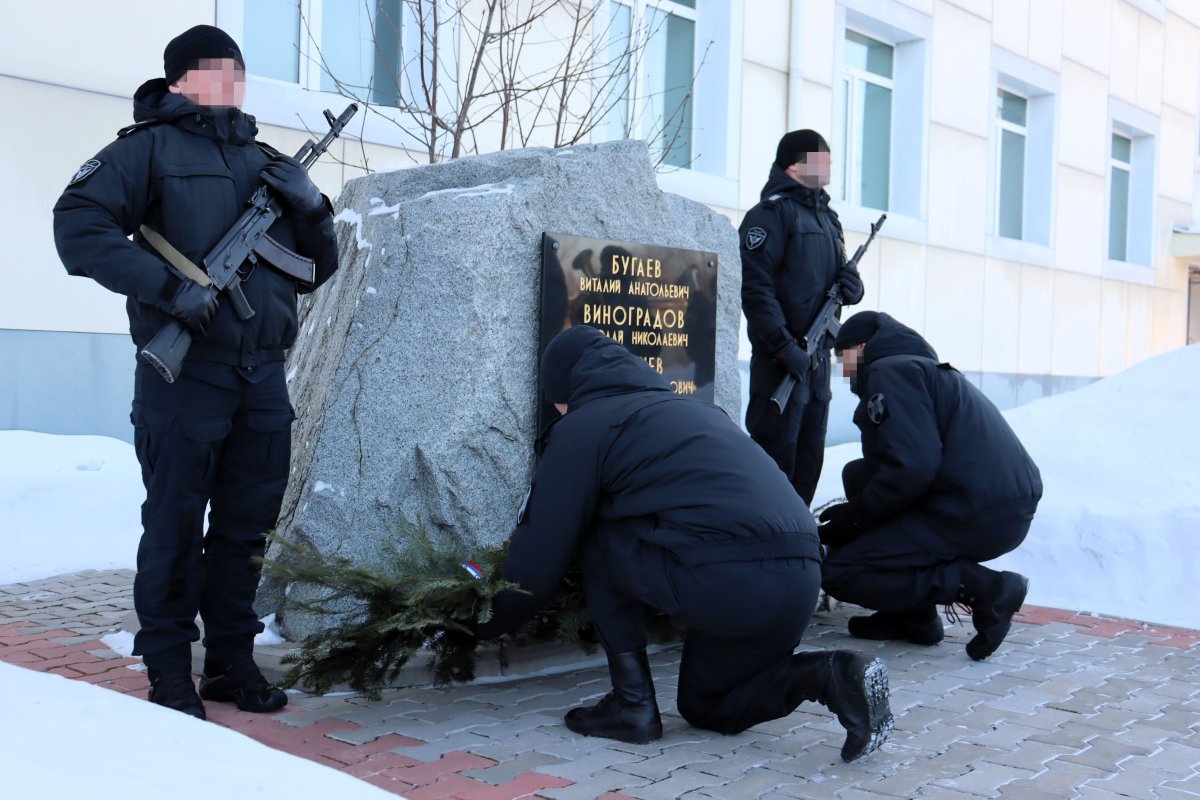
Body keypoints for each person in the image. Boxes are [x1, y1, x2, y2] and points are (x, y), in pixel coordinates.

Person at [52, 25, 339, 719]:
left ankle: (232, 665)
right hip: (184, 374)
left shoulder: (268, 162)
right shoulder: (144, 150)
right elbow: (77, 225)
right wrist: (168, 287)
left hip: (263, 375)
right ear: (180, 79)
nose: (232, 83)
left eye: (237, 72)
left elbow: (316, 270)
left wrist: (313, 208)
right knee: (176, 526)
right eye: (217, 71)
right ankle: (169, 671)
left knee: (248, 526)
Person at [474, 326, 894, 762]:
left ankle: (632, 706)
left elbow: (540, 558)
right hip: (801, 576)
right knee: (709, 704)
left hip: (731, 580)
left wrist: (478, 622)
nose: (557, 409)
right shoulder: (700, 412)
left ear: (566, 385)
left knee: (597, 533)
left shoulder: (585, 425)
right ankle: (831, 675)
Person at [818, 312, 1042, 661]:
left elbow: (913, 467)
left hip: (973, 511)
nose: (842, 369)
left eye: (841, 357)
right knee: (858, 475)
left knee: (842, 572)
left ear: (860, 348)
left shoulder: (888, 371)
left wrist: (857, 517)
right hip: (995, 502)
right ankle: (911, 618)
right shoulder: (916, 368)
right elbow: (898, 464)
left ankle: (987, 588)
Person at [740, 130, 865, 506]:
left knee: (810, 458)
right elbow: (755, 289)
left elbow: (836, 286)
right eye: (820, 159)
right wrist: (781, 346)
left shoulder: (829, 220)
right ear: (795, 164)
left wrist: (853, 287)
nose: (829, 166)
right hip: (781, 363)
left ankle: (795, 541)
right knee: (773, 463)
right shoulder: (770, 215)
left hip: (817, 364)